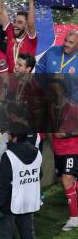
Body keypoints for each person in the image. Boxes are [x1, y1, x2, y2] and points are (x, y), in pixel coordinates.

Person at [0, 126, 42, 239]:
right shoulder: (37, 153)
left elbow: (4, 186)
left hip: (10, 203)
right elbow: (39, 174)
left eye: (9, 134)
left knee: (6, 235)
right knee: (28, 234)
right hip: (29, 200)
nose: (7, 136)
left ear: (14, 138)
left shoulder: (8, 156)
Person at [47, 81, 78, 232]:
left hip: (72, 148)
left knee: (67, 179)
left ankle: (74, 218)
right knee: (63, 180)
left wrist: (66, 134)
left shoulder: (73, 108)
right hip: (58, 149)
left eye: (55, 92)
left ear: (63, 93)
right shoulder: (51, 108)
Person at [0, 0, 37, 73]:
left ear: (26, 26)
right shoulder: (10, 32)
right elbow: (0, 11)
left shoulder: (31, 39)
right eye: (15, 21)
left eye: (20, 22)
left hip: (24, 80)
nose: (15, 25)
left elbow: (30, 23)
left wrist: (31, 2)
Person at [35, 30, 77, 102]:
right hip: (48, 99)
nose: (66, 44)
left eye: (71, 42)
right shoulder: (52, 51)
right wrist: (45, 88)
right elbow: (39, 69)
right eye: (65, 40)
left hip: (71, 104)